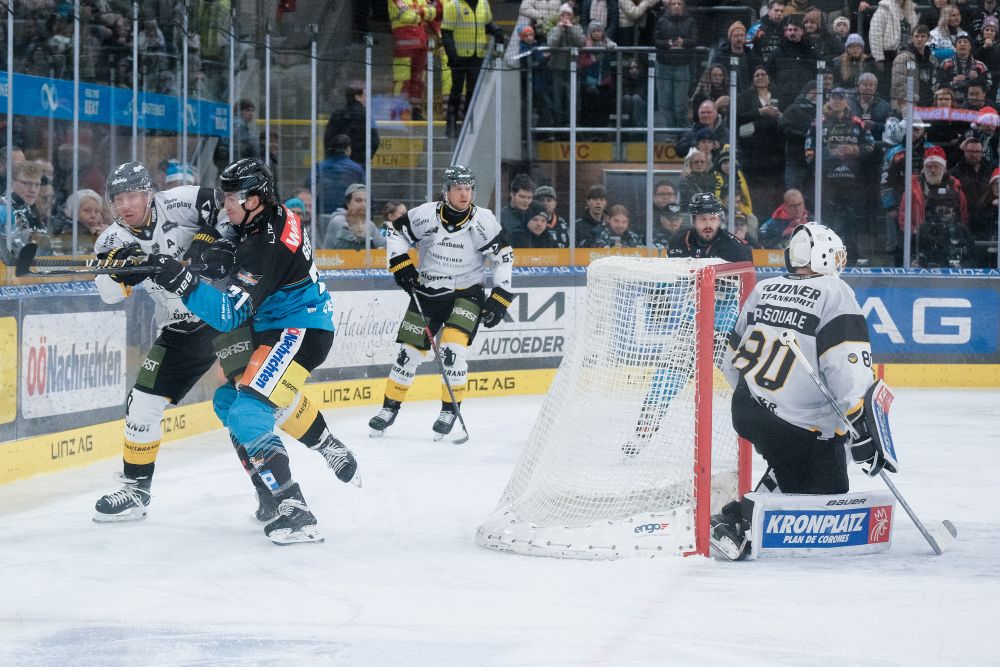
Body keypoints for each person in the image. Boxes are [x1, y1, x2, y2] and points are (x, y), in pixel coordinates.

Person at [139, 158, 359, 544]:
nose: (225, 206)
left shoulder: (265, 245)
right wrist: (219, 247)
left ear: (255, 199)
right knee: (228, 403)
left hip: (299, 328)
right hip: (270, 324)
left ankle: (295, 508)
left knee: (248, 410)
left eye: (231, 198)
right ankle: (285, 477)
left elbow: (226, 315)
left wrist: (183, 280)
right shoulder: (266, 215)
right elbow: (230, 237)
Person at [714, 223, 885, 560]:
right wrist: (860, 426)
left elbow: (730, 356)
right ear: (821, 256)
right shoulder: (836, 293)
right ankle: (736, 519)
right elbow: (847, 367)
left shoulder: (766, 287)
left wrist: (758, 398)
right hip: (798, 423)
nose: (838, 262)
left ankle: (750, 507)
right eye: (834, 255)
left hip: (747, 408)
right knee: (827, 494)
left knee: (792, 466)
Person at [368, 165, 514, 439]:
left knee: (453, 351)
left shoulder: (484, 221)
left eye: (468, 188)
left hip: (467, 294)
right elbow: (395, 232)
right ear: (446, 192)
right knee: (408, 353)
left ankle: (449, 410)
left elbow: (504, 256)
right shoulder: (425, 214)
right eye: (458, 188)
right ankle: (389, 409)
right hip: (429, 292)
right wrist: (400, 263)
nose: (464, 193)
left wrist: (500, 296)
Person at [805, 87, 875, 261]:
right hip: (826, 179)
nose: (837, 101)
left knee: (853, 218)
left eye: (840, 98)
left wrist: (855, 149)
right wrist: (829, 154)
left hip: (852, 179)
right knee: (827, 217)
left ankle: (851, 255)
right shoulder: (818, 122)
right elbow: (808, 152)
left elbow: (871, 147)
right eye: (833, 98)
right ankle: (824, 256)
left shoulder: (857, 122)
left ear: (846, 101)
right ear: (828, 100)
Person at [899, 146, 973, 266]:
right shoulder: (913, 188)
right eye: (929, 166)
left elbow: (963, 213)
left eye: (936, 166)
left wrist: (959, 233)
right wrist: (915, 236)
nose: (932, 170)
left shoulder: (955, 187)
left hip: (950, 239)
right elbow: (904, 216)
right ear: (924, 168)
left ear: (944, 168)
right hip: (923, 240)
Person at [442, 0, 505, 137]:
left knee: (473, 91)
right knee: (456, 91)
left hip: (477, 56)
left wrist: (496, 30)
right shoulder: (454, 5)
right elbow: (446, 33)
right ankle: (451, 125)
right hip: (458, 57)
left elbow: (487, 24)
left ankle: (467, 124)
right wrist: (452, 55)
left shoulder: (484, 4)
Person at [668, 192, 752, 261]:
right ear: (693, 221)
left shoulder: (736, 247)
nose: (708, 225)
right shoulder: (677, 240)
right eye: (703, 219)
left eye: (713, 219)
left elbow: (748, 277)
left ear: (719, 220)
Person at [654, 0, 698, 130]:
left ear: (683, 6)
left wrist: (684, 42)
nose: (676, 6)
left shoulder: (690, 21)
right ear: (669, 6)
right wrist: (666, 44)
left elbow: (695, 40)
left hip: (682, 65)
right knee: (665, 102)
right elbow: (655, 40)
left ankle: (683, 131)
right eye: (673, 4)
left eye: (679, 4)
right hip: (664, 65)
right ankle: (672, 131)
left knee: (680, 104)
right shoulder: (661, 21)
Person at [389, 0, 436, 120]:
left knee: (419, 79)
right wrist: (422, 13)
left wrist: (418, 12)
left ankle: (416, 110)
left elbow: (433, 12)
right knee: (402, 79)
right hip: (404, 44)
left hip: (421, 43)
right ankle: (397, 112)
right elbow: (406, 16)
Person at [325, 81, 380, 166]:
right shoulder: (366, 115)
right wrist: (363, 161)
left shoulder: (337, 114)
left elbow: (327, 139)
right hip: (358, 164)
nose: (366, 99)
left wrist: (331, 159)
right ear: (357, 97)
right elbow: (375, 141)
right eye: (365, 96)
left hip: (336, 163)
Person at [313, 133, 364, 218]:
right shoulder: (357, 169)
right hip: (347, 216)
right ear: (348, 149)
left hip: (322, 215)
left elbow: (309, 190)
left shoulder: (320, 167)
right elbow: (364, 193)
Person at [322, 183, 386, 250]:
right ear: (347, 203)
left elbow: (385, 246)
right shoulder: (338, 221)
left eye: (366, 201)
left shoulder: (369, 224)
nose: (363, 205)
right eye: (358, 200)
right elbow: (354, 247)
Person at [891, 24, 935, 112]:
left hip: (928, 103)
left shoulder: (932, 59)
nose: (919, 39)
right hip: (908, 104)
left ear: (928, 38)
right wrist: (908, 101)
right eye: (916, 36)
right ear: (911, 38)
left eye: (923, 36)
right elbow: (898, 83)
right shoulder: (902, 58)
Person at [500, 173, 535, 237]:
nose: (526, 201)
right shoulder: (501, 216)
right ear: (512, 194)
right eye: (522, 197)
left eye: (529, 198)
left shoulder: (534, 216)